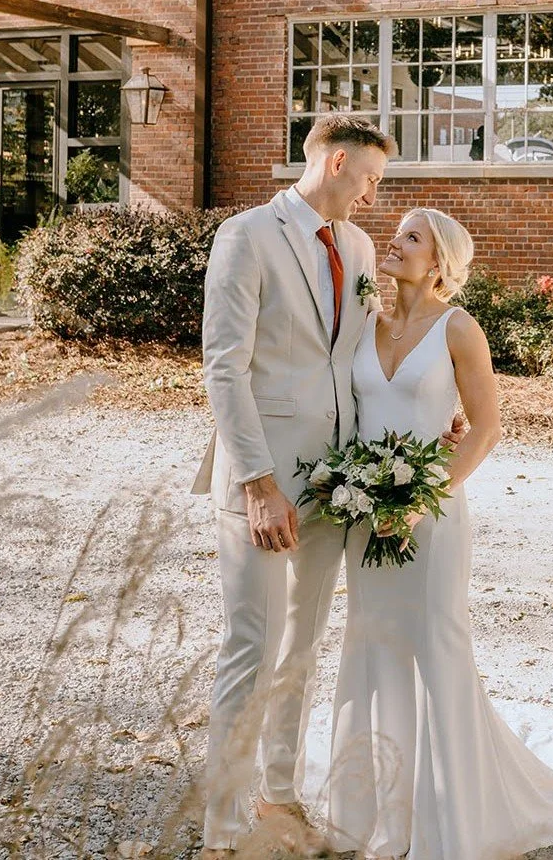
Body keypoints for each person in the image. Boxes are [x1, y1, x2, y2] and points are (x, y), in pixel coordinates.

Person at [194, 116, 464, 857]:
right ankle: (221, 827)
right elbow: (224, 365)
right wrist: (256, 481)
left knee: (303, 646)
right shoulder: (246, 236)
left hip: (333, 484)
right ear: (337, 161)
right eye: (371, 179)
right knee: (251, 643)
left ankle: (279, 795)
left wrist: (431, 416)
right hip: (263, 480)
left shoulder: (357, 246)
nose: (375, 195)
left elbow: (364, 357)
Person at [319, 207, 553, 859]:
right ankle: (376, 813)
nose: (395, 241)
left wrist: (421, 499)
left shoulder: (458, 327)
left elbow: (483, 428)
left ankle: (446, 819)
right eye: (398, 232)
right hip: (366, 512)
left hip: (431, 515)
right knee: (372, 647)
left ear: (441, 261)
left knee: (433, 647)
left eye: (412, 237)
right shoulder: (365, 322)